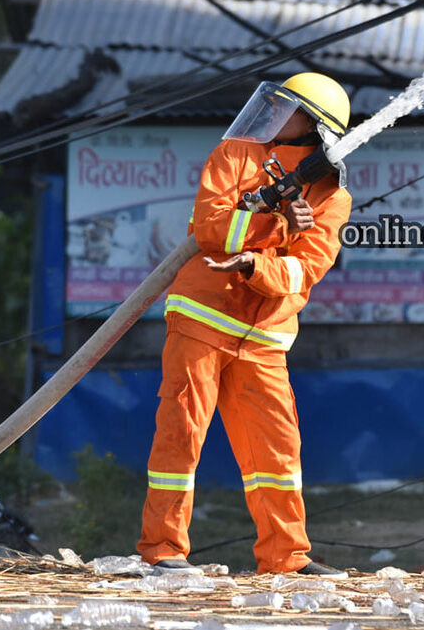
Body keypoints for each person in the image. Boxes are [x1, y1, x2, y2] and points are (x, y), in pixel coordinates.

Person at [137, 72, 353, 576]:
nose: (273, 113)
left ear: (313, 124)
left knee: (277, 450)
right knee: (181, 432)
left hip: (264, 337)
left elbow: (305, 270)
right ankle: (163, 550)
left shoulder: (332, 196)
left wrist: (254, 264)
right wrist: (277, 225)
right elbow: (211, 226)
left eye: (287, 108)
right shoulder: (235, 154)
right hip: (202, 316)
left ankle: (286, 559)